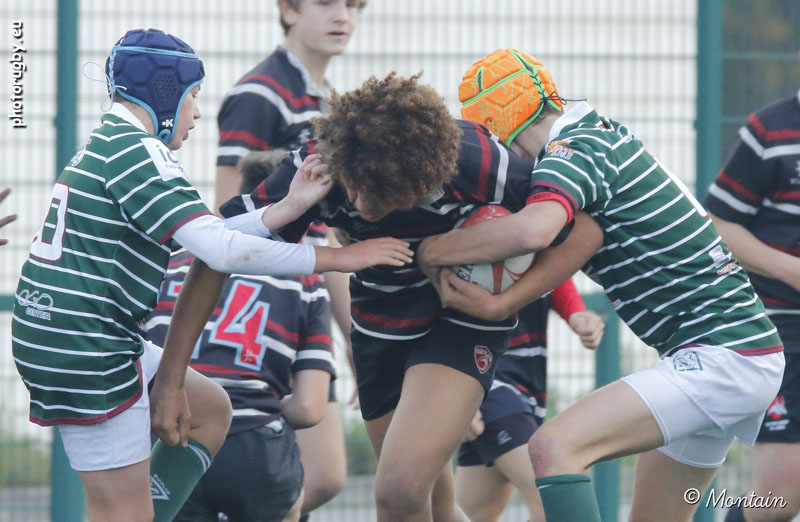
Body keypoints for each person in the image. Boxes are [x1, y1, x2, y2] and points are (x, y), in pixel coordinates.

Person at [156, 71, 603, 522]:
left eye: (383, 196)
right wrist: (172, 382)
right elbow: (214, 254)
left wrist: (504, 302)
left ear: (429, 178)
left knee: (398, 492)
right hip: (379, 326)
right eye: (354, 188)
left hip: (461, 320)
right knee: (434, 505)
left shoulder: (478, 160)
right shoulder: (319, 164)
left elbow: (584, 230)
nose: (361, 205)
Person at [10, 29, 411, 522]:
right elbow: (221, 251)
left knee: (209, 410)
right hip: (85, 345)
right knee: (122, 513)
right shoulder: (139, 152)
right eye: (193, 96)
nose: (197, 113)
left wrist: (288, 207)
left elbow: (206, 237)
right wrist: (339, 257)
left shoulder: (114, 144)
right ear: (164, 92)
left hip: (74, 333)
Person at [417, 48, 785, 522]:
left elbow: (534, 231)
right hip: (732, 353)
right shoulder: (594, 136)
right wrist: (501, 304)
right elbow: (586, 237)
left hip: (722, 358)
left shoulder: (570, 151)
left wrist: (431, 251)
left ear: (494, 127)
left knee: (552, 447)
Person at [215, 2, 366, 516]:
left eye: (354, 5)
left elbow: (326, 230)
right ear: (288, 9)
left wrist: (352, 333)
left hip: (310, 296)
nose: (343, 16)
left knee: (322, 476)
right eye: (326, 2)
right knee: (306, 477)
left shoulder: (325, 99)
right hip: (264, 309)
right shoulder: (260, 93)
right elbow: (229, 215)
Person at [144, 149, 335, 522]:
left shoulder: (172, 264)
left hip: (170, 433)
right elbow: (309, 408)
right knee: (291, 506)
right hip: (255, 450)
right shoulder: (304, 280)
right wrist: (255, 405)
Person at [702, 92, 800, 522]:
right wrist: (791, 271)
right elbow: (718, 224)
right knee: (781, 497)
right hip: (783, 328)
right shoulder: (771, 128)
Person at [455, 278, 604, 522]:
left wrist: (575, 312)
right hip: (487, 384)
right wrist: (456, 391)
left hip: (527, 387)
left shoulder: (544, 253)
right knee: (555, 503)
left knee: (474, 515)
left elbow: (555, 270)